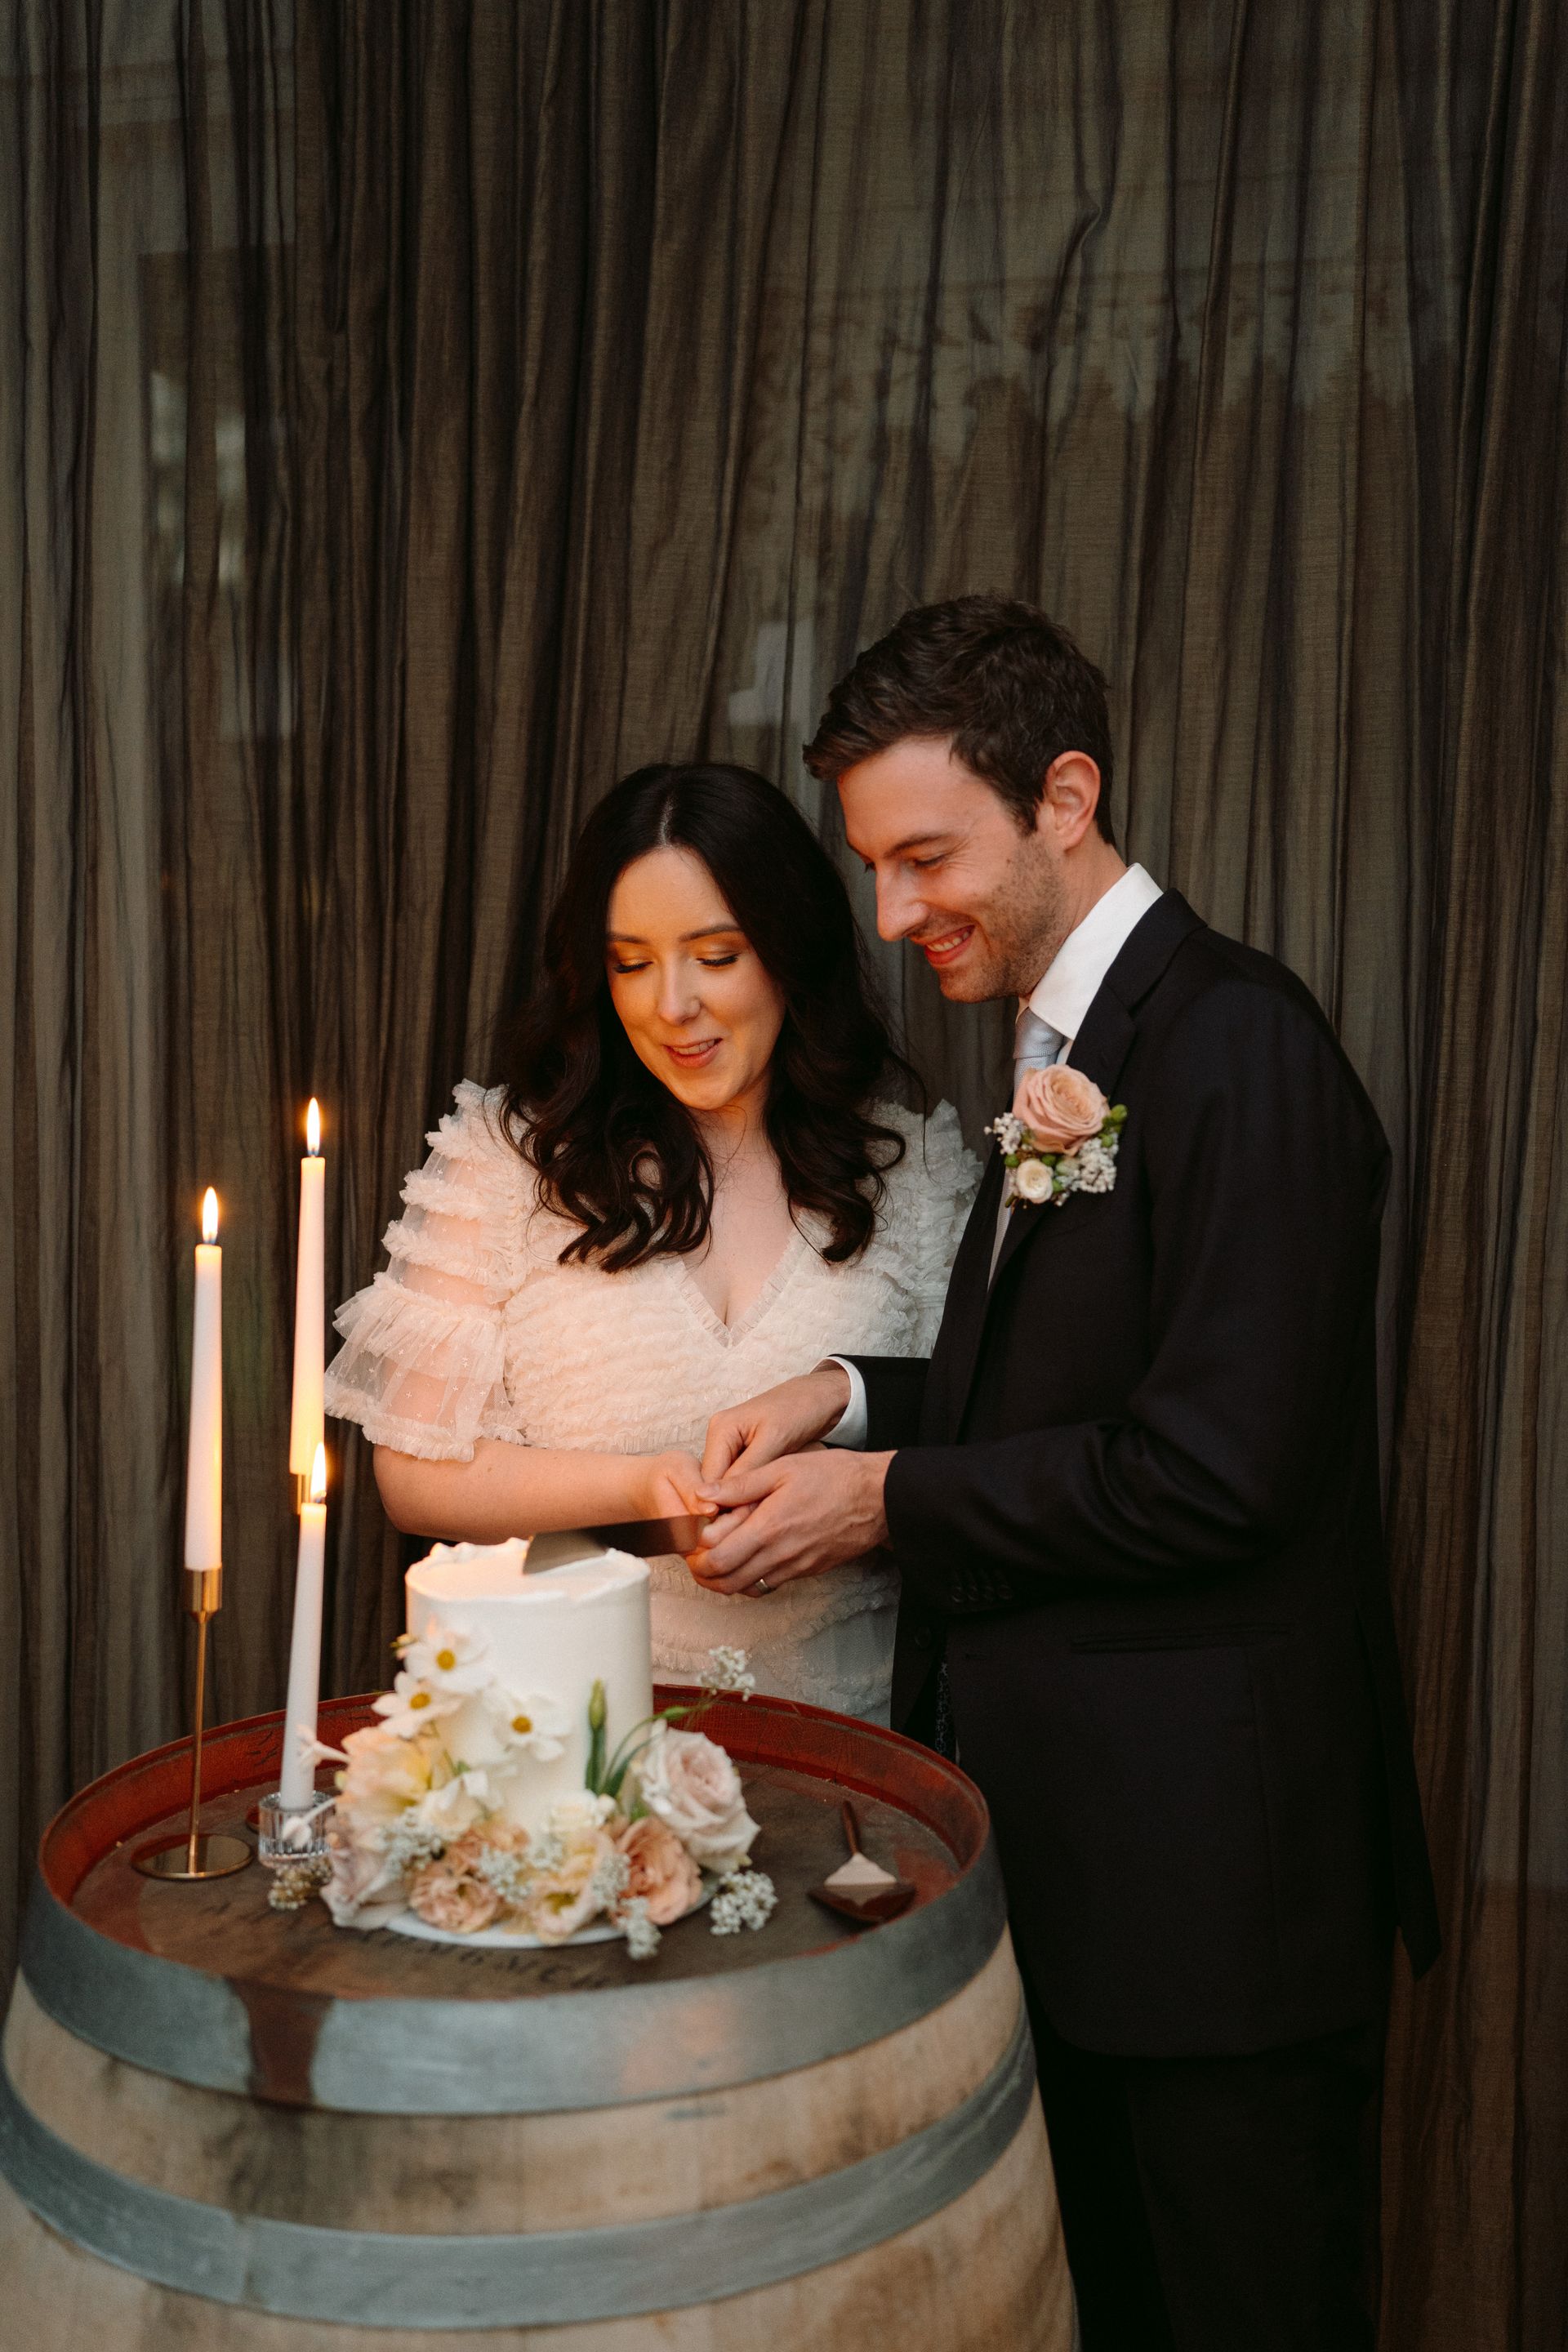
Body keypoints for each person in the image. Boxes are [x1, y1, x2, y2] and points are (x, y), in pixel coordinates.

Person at [690, 599, 1441, 2349]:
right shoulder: (1060, 1059)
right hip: (1094, 1893)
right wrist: (845, 1401)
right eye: (873, 869)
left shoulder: (1236, 1042)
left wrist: (884, 1506)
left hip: (1221, 1919)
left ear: (1067, 797)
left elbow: (1217, 1468)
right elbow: (1056, 1386)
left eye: (925, 856)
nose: (891, 915)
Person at [323, 760, 975, 1722]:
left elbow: (985, 1451)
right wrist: (643, 1484)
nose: (671, 1005)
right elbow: (415, 1475)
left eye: (715, 956)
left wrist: (844, 1502)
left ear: (790, 952)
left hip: (857, 1733)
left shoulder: (916, 1170)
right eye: (632, 962)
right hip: (571, 1731)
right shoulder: (508, 1158)